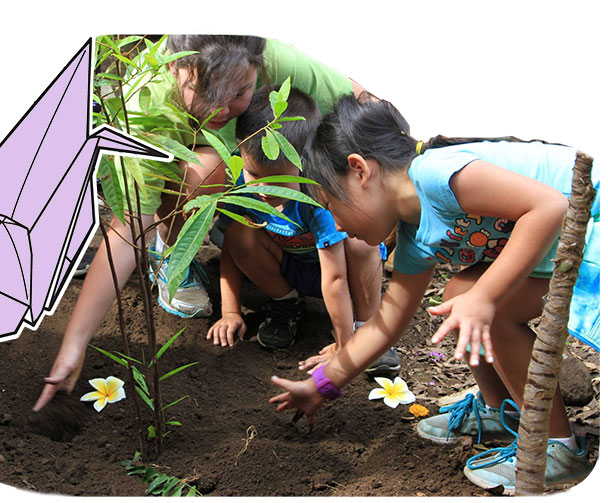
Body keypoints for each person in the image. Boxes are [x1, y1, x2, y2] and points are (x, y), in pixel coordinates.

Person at [269, 95, 597, 493]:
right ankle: (502, 411)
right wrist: (321, 384)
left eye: (331, 204)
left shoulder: (437, 174)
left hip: (591, 223)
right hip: (559, 246)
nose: (335, 222)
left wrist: (487, 297)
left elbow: (549, 206)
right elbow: (386, 323)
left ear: (359, 170)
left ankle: (554, 448)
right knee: (459, 293)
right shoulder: (415, 234)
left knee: (488, 306)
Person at [34, 35, 379, 411]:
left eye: (240, 93)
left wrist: (380, 203)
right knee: (205, 170)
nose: (221, 109)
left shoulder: (279, 61)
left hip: (287, 197)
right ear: (173, 67)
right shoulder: (148, 106)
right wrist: (75, 342)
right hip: (229, 190)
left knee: (359, 239)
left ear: (258, 68)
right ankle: (173, 257)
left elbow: (364, 101)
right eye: (207, 93)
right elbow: (129, 226)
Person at [206, 85, 384, 353]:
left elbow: (335, 278)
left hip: (345, 269)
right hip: (295, 266)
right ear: (241, 155)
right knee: (239, 232)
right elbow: (232, 248)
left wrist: (343, 347)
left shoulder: (318, 193)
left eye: (279, 182)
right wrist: (230, 312)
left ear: (305, 164)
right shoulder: (239, 178)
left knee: (360, 245)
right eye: (255, 175)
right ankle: (286, 303)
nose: (266, 191)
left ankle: (367, 327)